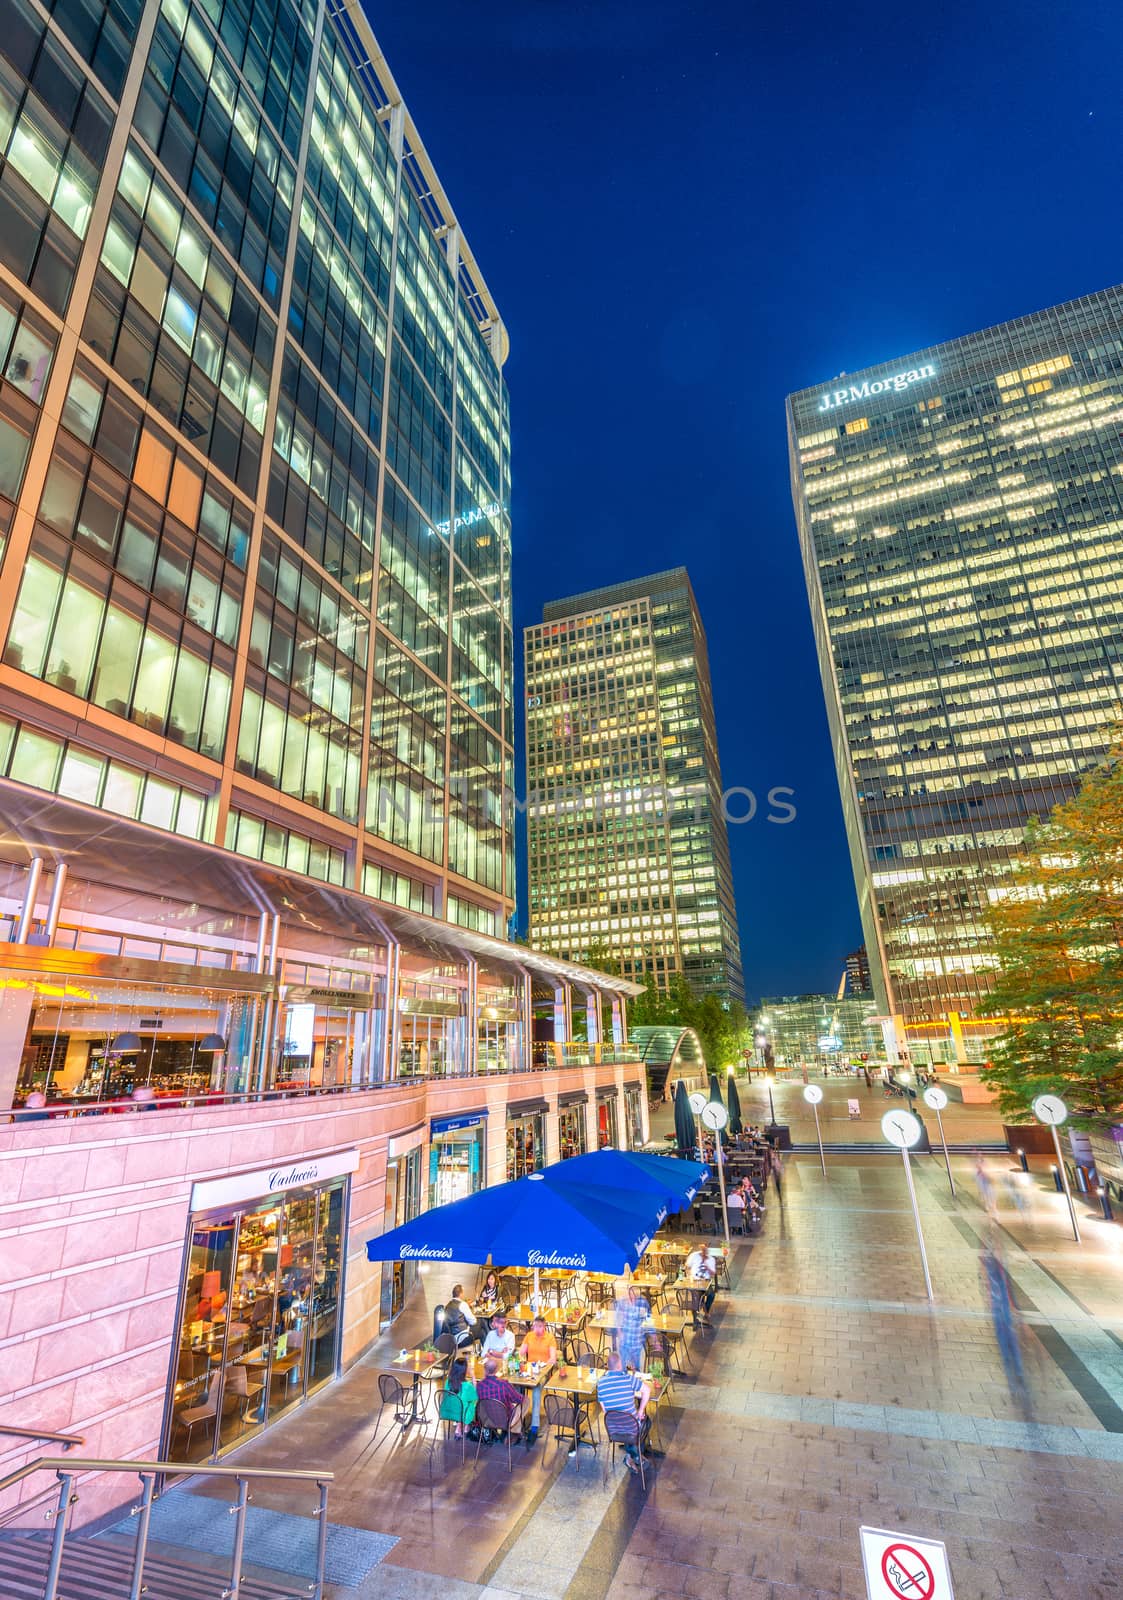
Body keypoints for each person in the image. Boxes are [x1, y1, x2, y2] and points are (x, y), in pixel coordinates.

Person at [596, 1352, 651, 1475]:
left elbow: (605, 1410)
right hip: (632, 1428)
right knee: (645, 1421)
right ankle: (635, 1454)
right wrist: (640, 1410)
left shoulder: (600, 1384)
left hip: (613, 1430)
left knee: (625, 1419)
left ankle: (630, 1457)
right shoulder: (628, 1379)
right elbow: (647, 1390)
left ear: (607, 1366)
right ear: (619, 1365)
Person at [518, 1315, 558, 1443]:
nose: (537, 1329)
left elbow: (553, 1358)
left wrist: (544, 1365)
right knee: (515, 1387)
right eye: (535, 1326)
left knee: (536, 1391)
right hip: (529, 1371)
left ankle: (534, 1426)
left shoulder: (550, 1338)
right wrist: (519, 1358)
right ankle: (516, 1422)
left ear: (544, 1326)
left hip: (542, 1372)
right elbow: (521, 1352)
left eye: (540, 1326)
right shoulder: (529, 1336)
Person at [475, 1354, 525, 1439]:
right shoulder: (503, 1384)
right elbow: (517, 1399)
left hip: (486, 1420)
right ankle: (514, 1432)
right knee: (525, 1401)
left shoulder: (479, 1386)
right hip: (506, 1419)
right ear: (497, 1370)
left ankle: (509, 1432)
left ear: (485, 1370)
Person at [439, 1355, 478, 1438]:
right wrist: (473, 1376)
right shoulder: (466, 1386)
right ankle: (466, 1426)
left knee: (461, 1402)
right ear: (465, 1371)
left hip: (447, 1411)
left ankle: (459, 1427)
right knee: (472, 1402)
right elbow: (475, 1395)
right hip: (461, 1414)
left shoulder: (448, 1382)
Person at [614, 1285, 650, 1373]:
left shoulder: (642, 1304)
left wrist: (645, 1333)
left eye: (634, 1296)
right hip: (625, 1343)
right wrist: (619, 1332)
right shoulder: (622, 1303)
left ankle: (636, 1384)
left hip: (637, 1343)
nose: (632, 1298)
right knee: (623, 1369)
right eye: (630, 1295)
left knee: (637, 1369)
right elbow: (617, 1319)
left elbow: (647, 1320)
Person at [683, 1243, 718, 1326]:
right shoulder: (694, 1255)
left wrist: (707, 1266)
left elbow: (713, 1273)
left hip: (706, 1281)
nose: (704, 1252)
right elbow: (687, 1266)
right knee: (696, 1297)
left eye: (706, 1250)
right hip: (695, 1281)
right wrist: (688, 1275)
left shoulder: (711, 1259)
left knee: (711, 1295)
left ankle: (706, 1309)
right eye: (702, 1250)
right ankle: (695, 1318)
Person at [443, 1284, 477, 1349]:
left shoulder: (447, 1306)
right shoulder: (462, 1304)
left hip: (452, 1337)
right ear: (461, 1294)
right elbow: (473, 1321)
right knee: (482, 1327)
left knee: (482, 1329)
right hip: (462, 1336)